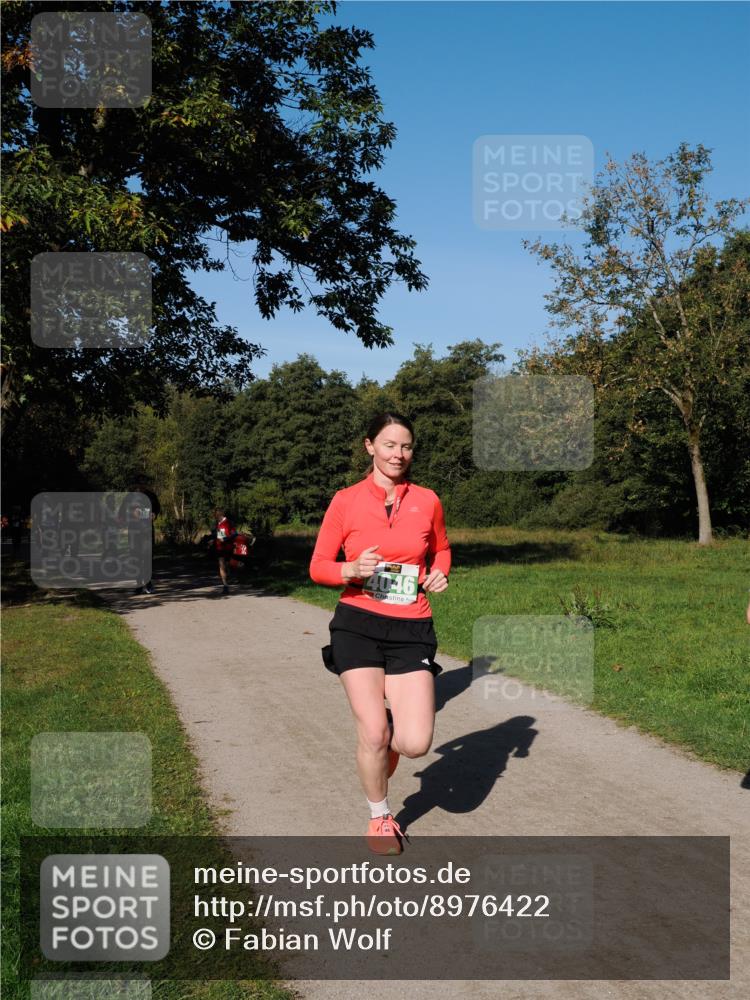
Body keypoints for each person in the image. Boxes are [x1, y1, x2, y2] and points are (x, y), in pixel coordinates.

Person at [309, 413, 451, 855]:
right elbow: (318, 566)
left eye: (406, 447)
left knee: (415, 743)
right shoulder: (346, 500)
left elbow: (441, 549)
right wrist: (348, 570)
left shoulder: (427, 500)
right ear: (370, 445)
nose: (398, 454)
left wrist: (438, 573)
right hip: (358, 623)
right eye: (389, 445)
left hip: (412, 624)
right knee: (371, 733)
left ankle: (390, 732)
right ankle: (380, 817)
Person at [118, 485, 160, 594]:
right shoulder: (129, 497)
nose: (141, 485)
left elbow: (156, 509)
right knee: (135, 557)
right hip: (134, 531)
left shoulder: (151, 496)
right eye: (139, 482)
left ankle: (148, 582)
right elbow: (122, 514)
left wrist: (154, 514)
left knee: (147, 556)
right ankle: (138, 584)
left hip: (147, 530)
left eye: (144, 481)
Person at [212, 506, 237, 595]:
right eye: (215, 516)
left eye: (216, 516)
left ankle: (233, 574)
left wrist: (226, 539)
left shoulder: (229, 522)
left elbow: (235, 533)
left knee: (229, 564)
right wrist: (213, 540)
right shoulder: (217, 524)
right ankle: (225, 586)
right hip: (219, 548)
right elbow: (218, 535)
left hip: (229, 547)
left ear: (221, 515)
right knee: (221, 565)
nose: (216, 517)